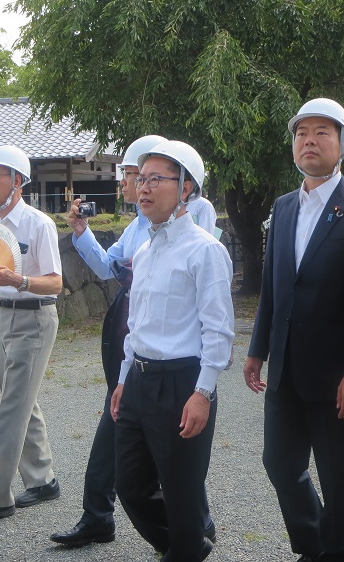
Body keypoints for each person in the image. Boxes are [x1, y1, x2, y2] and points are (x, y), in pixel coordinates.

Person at [244, 98, 344, 562]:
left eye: (323, 132)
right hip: (285, 368)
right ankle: (315, 546)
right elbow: (273, 287)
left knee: (339, 478)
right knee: (280, 465)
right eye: (303, 132)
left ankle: (339, 554)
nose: (310, 140)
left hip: (336, 377)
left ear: (343, 146)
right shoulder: (283, 208)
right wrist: (257, 347)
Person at [110, 140, 234, 562]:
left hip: (183, 381)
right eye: (140, 179)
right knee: (129, 485)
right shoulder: (144, 250)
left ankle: (184, 546)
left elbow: (218, 331)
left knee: (182, 492)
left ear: (185, 189)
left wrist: (204, 392)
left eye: (156, 180)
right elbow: (136, 323)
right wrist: (125, 379)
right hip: (141, 381)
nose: (143, 188)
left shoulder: (206, 251)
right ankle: (189, 546)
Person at [0, 145, 63, 524]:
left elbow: (56, 282)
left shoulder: (39, 224)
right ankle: (43, 480)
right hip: (4, 318)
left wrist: (20, 280)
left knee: (12, 407)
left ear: (17, 181)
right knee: (22, 401)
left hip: (35, 319)